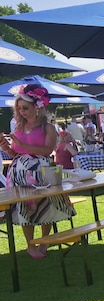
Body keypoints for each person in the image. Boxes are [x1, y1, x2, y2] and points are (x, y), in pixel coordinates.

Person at [0, 84, 76, 259]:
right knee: (25, 207)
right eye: (19, 109)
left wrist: (23, 146)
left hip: (41, 172)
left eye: (25, 108)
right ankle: (30, 244)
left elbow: (47, 150)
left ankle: (45, 240)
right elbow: (15, 153)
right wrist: (6, 148)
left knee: (46, 205)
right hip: (19, 174)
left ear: (37, 107)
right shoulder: (19, 128)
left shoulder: (47, 128)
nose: (22, 112)